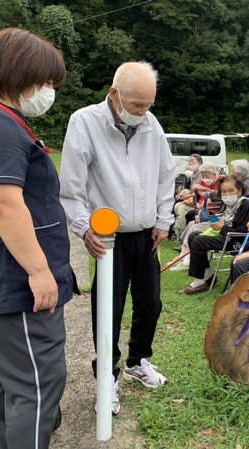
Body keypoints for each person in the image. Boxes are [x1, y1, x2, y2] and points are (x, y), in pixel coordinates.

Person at [0, 28, 73, 448]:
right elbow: (4, 204)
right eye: (45, 82)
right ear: (19, 74)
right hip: (17, 286)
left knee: (11, 385)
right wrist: (40, 271)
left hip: (6, 283)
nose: (48, 91)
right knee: (38, 387)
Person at [59, 61, 175, 415]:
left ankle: (138, 361)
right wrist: (83, 227)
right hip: (107, 237)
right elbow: (71, 188)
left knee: (150, 303)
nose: (143, 112)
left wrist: (163, 219)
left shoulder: (150, 125)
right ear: (114, 94)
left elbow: (165, 175)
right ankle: (106, 377)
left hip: (146, 234)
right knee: (108, 308)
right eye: (137, 104)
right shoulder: (84, 123)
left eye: (148, 105)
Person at [178, 174, 249, 294]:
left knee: (199, 241)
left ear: (239, 191)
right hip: (227, 236)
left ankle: (199, 282)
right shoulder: (231, 205)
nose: (227, 194)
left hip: (237, 242)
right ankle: (208, 274)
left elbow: (245, 233)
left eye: (231, 191)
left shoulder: (245, 205)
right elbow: (226, 219)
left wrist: (222, 228)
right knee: (193, 235)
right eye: (224, 192)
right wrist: (215, 222)